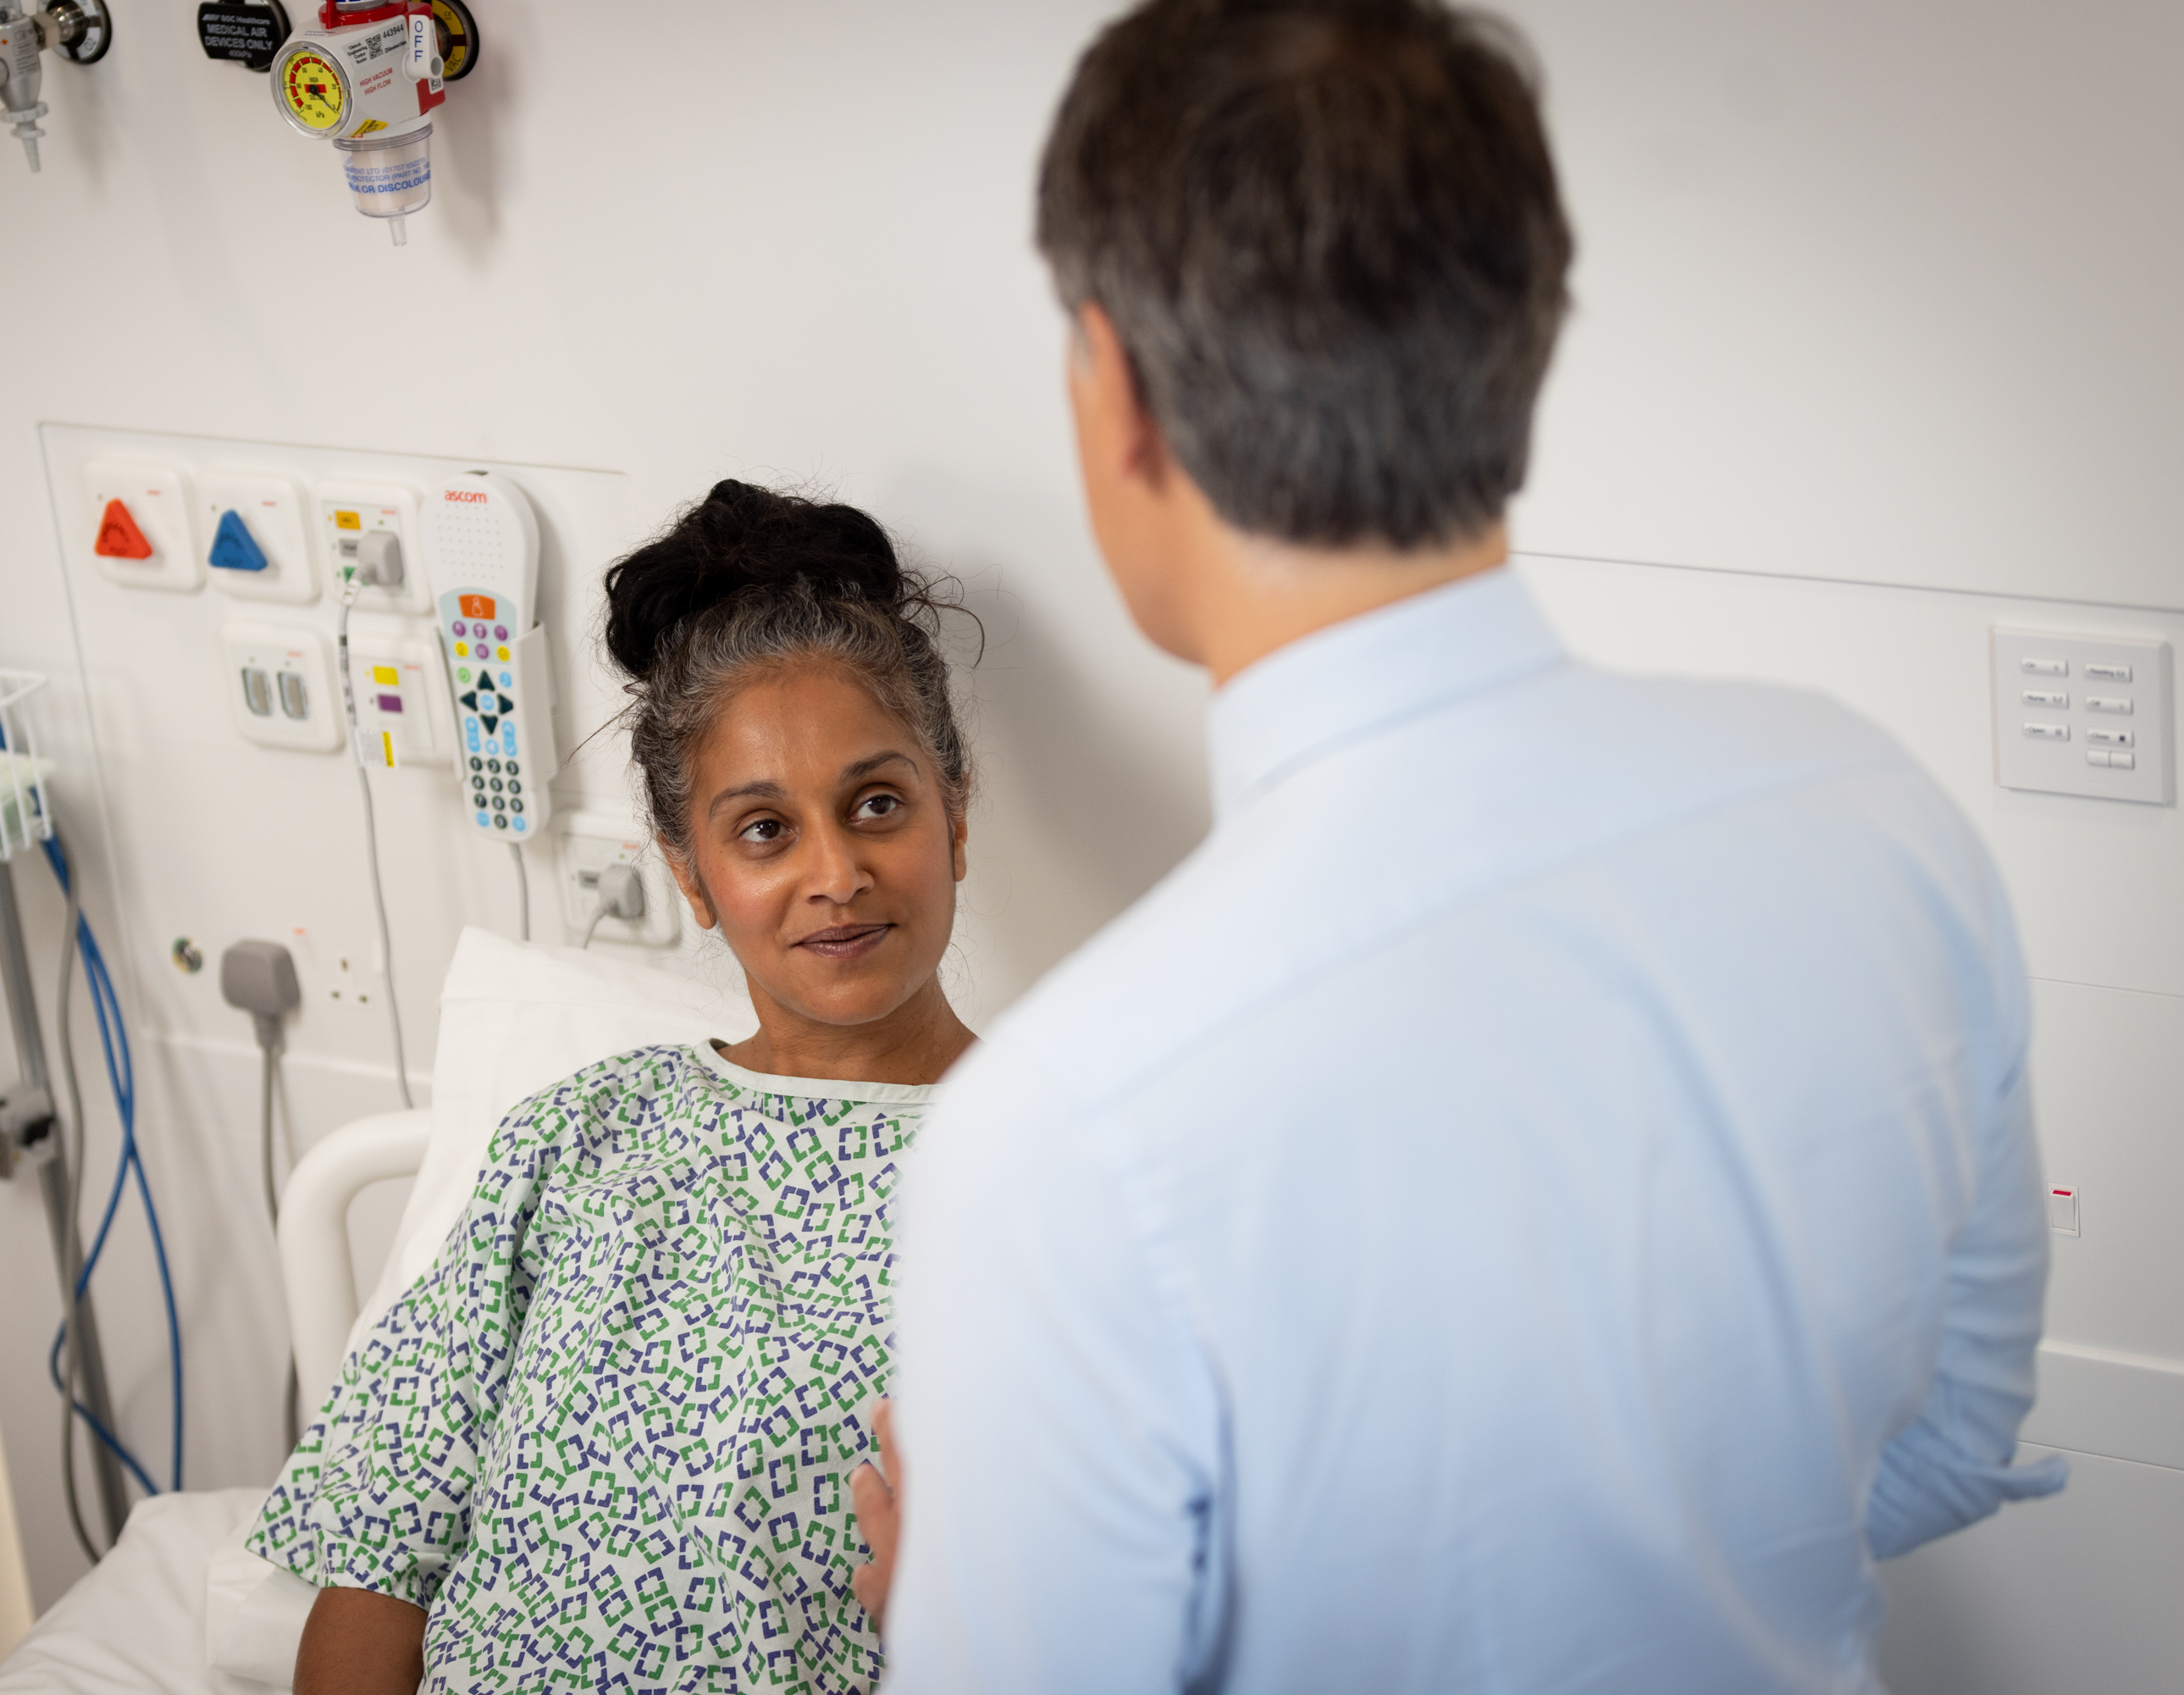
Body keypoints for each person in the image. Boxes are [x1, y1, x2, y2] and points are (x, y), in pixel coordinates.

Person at [854, 3, 2065, 1691]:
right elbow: (1947, 1442)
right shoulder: (1880, 815)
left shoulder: (1063, 1134)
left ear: (1116, 391)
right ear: (1525, 347)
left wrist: (944, 1613)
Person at [255, 479, 976, 1695]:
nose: (836, 872)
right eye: (763, 830)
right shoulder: (582, 1134)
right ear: (690, 873)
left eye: (878, 804)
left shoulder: (1058, 1168)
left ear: (957, 818)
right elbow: (381, 1554)